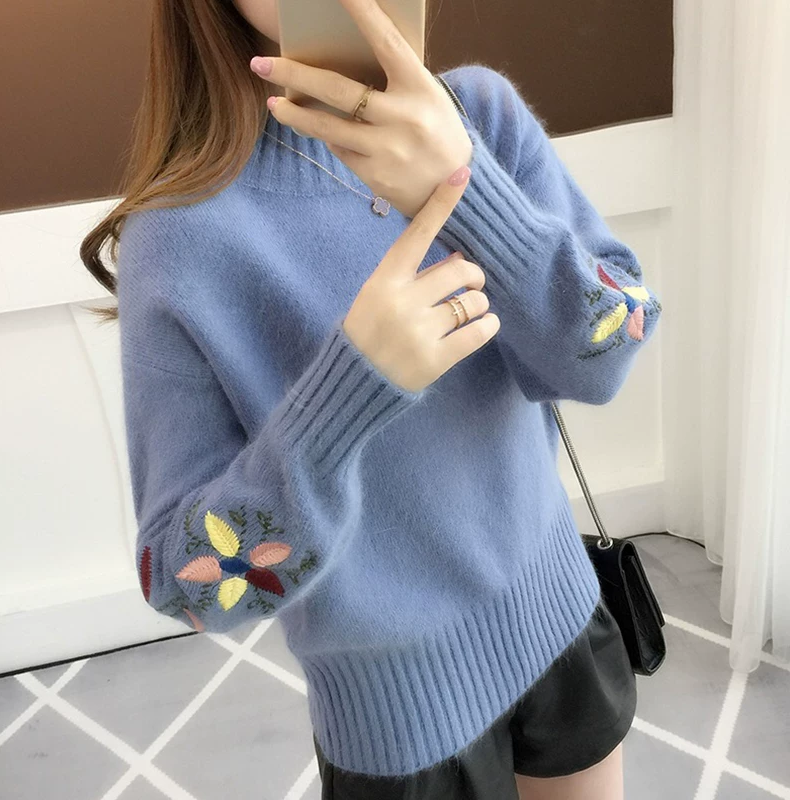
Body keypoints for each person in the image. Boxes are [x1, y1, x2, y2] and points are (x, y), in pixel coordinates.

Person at [80, 0, 662, 797]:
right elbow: (186, 584)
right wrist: (351, 390)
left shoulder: (478, 113)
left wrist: (474, 195)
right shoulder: (181, 240)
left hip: (559, 616)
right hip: (397, 720)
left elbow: (612, 349)